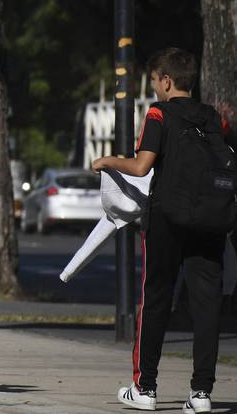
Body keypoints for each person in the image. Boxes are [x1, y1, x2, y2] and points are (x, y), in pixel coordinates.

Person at [95, 48, 237, 414]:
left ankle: (145, 387)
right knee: (207, 305)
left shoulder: (159, 113)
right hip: (210, 220)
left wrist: (108, 160)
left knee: (155, 298)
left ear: (166, 81)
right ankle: (202, 393)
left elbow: (141, 167)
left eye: (156, 80)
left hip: (167, 218)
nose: (156, 86)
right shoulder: (212, 117)